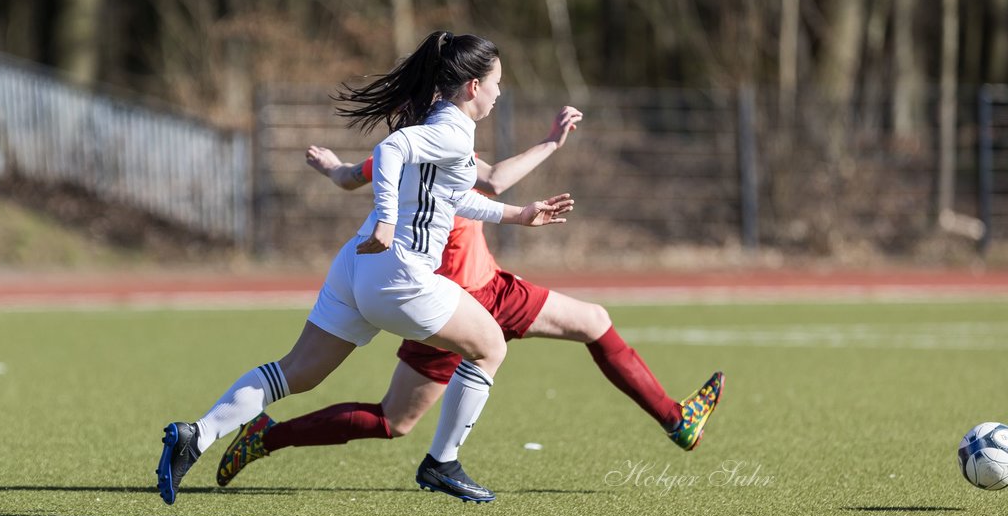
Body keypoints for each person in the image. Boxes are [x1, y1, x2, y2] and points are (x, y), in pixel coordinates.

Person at [157, 30, 576, 505]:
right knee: (490, 346)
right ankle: (442, 463)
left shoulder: (445, 126)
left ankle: (197, 434)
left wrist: (518, 215)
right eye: (498, 82)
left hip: (356, 267)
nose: (501, 92)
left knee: (295, 372)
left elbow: (451, 197)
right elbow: (393, 151)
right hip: (398, 274)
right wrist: (388, 218)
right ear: (473, 87)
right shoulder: (450, 129)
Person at [212, 110, 724, 491]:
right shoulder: (441, 149)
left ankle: (677, 422)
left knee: (593, 321)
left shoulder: (408, 150)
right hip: (446, 306)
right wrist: (548, 145)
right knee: (395, 421)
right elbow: (496, 179)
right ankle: (267, 437)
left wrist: (332, 167)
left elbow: (354, 178)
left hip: (491, 289)